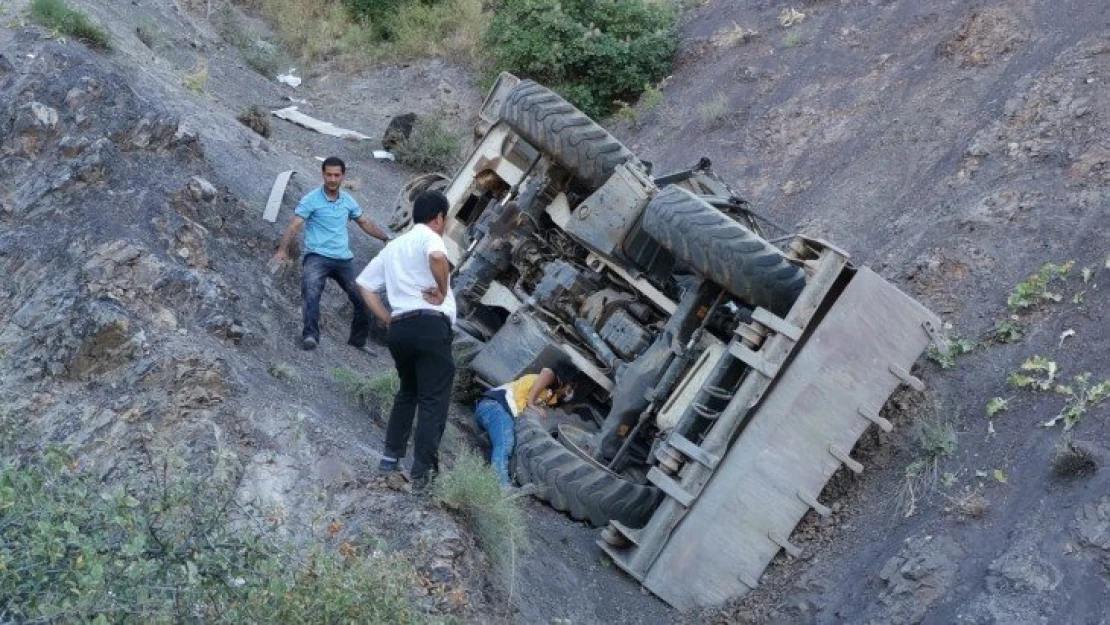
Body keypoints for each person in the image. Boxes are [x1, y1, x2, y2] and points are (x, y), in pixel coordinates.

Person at [356, 190, 455, 491]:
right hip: (429, 326)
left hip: (400, 329)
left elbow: (364, 284)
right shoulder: (430, 236)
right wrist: (441, 288)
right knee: (433, 400)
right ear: (439, 218)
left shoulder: (395, 245)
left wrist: (387, 319)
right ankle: (423, 475)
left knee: (407, 393)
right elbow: (437, 257)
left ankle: (390, 458)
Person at [271, 156, 392, 351]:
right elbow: (294, 226)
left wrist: (385, 238)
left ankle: (357, 341)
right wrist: (283, 250)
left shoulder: (348, 201)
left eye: (337, 175)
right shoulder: (311, 199)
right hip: (317, 256)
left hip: (343, 260)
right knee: (311, 292)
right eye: (329, 175)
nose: (333, 179)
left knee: (363, 298)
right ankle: (310, 336)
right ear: (323, 174)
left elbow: (365, 223)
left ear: (343, 176)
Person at [474, 362, 578, 485]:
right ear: (564, 380)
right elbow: (547, 371)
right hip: (494, 406)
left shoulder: (550, 396)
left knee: (509, 440)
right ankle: (500, 484)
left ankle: (487, 446)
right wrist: (531, 402)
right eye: (570, 386)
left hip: (497, 413)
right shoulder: (545, 377)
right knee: (506, 442)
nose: (569, 392)